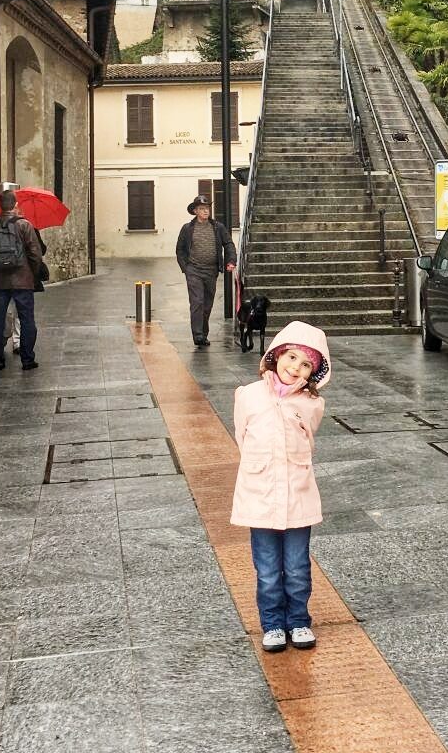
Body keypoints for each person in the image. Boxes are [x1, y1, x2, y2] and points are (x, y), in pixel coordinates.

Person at [230, 321, 331, 653]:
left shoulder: (311, 403)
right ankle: (272, 623)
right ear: (275, 355)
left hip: (298, 494)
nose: (295, 368)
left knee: (298, 566)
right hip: (260, 496)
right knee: (268, 568)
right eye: (291, 358)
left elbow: (309, 439)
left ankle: (299, 620)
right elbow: (242, 437)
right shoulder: (248, 395)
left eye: (305, 365)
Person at [0, 190, 42, 371]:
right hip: (22, 281)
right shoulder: (25, 225)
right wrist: (32, 273)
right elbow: (35, 254)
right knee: (26, 319)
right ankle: (27, 359)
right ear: (15, 204)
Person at [175, 195, 237, 348]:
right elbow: (180, 250)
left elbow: (228, 244)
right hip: (194, 270)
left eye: (207, 208)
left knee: (207, 305)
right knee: (197, 302)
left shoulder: (218, 227)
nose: (205, 211)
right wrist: (186, 268)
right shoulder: (187, 229)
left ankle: (203, 333)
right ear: (195, 211)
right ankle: (198, 335)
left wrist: (231, 261)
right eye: (202, 209)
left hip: (211, 271)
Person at [6, 221, 48, 355]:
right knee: (22, 312)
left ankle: (7, 340)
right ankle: (18, 343)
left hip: (4, 276)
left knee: (7, 311)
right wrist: (33, 273)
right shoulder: (30, 228)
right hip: (24, 277)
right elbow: (40, 251)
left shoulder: (1, 227)